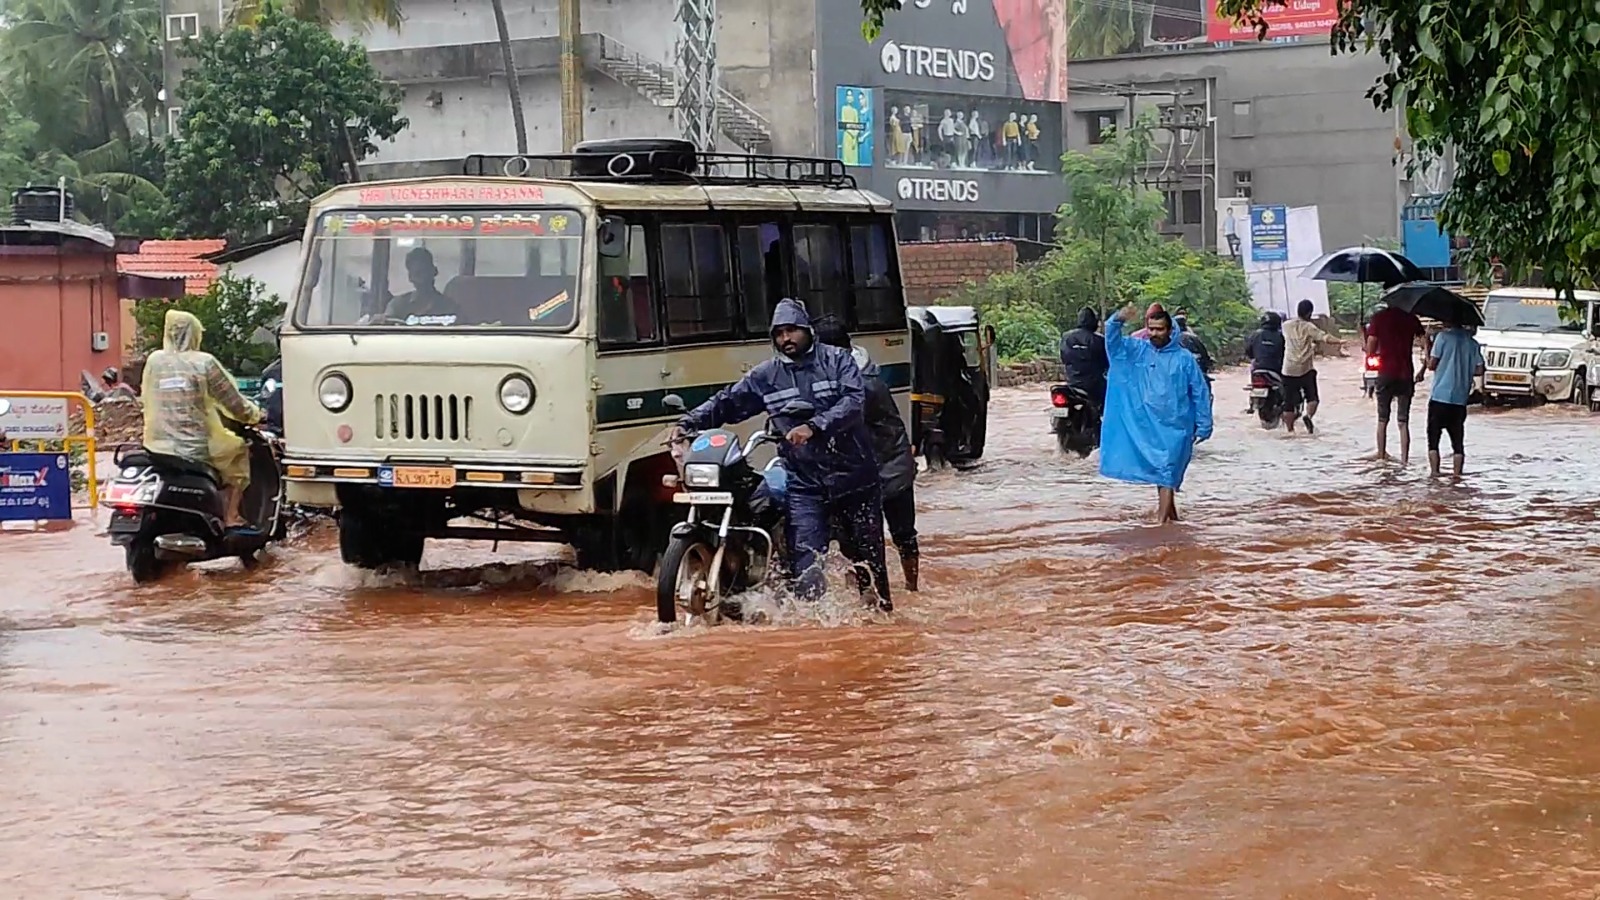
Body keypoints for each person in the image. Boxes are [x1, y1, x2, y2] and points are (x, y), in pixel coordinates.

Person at [677, 299, 892, 611]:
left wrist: (814, 426)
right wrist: (687, 423)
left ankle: (881, 619)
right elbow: (728, 402)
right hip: (806, 485)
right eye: (778, 333)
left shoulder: (838, 361)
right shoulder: (766, 376)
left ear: (807, 330)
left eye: (792, 331)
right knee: (806, 570)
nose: (785, 339)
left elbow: (852, 403)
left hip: (855, 480)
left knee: (870, 563)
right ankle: (812, 631)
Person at [813, 316, 920, 592]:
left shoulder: (862, 385)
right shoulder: (848, 376)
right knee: (854, 540)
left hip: (888, 467)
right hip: (862, 470)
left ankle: (909, 589)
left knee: (901, 535)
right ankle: (869, 593)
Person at [140, 309, 265, 529]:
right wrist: (255, 415)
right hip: (193, 447)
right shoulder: (203, 363)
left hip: (155, 445)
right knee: (238, 452)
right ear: (195, 334)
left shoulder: (154, 361)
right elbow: (232, 402)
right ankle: (231, 516)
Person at [1099, 303, 1214, 524]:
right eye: (1151, 329)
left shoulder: (1185, 359)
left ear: (1170, 330)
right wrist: (1118, 319)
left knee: (1167, 471)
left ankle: (1161, 526)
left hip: (1177, 428)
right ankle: (1171, 520)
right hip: (1148, 427)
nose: (1154, 334)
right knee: (1164, 476)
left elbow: (1199, 392)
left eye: (1159, 329)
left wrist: (1204, 424)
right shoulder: (1137, 351)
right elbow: (1112, 342)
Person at [1366, 298, 1429, 465]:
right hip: (1406, 374)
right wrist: (1424, 366)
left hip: (1385, 373)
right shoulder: (1411, 318)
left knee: (1382, 420)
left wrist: (1367, 347)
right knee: (1403, 422)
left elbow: (1371, 347)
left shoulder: (1378, 318)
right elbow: (1425, 341)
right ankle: (1405, 460)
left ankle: (1381, 456)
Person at [1425, 321, 1484, 478]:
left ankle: (1435, 474)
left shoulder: (1442, 337)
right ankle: (1457, 476)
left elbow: (1431, 365)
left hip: (1439, 396)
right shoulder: (1473, 344)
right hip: (1460, 399)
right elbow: (1479, 370)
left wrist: (1426, 347)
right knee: (1457, 441)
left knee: (1433, 439)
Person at [1280, 298, 1343, 433]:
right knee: (1312, 397)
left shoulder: (1286, 325)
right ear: (1309, 313)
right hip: (1305, 369)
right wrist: (1340, 341)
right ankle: (1308, 416)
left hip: (1288, 369)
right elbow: (1325, 338)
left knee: (1288, 402)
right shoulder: (1309, 327)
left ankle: (1290, 431)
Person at [383, 248, 457, 321]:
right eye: (418, 274)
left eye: (426, 271)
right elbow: (387, 324)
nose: (423, 279)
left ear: (434, 271)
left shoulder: (449, 308)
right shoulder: (398, 305)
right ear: (410, 277)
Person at [1059, 307, 1109, 410]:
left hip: (1072, 384)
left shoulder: (1066, 337)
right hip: (1094, 386)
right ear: (1094, 321)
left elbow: (1064, 357)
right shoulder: (1099, 340)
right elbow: (1106, 362)